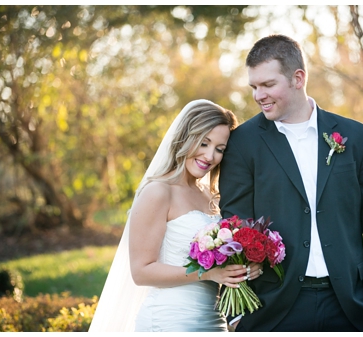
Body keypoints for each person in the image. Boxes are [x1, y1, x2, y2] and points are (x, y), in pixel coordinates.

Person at [219, 34, 363, 331]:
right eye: (253, 86)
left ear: (298, 78)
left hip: (350, 306)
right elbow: (235, 225)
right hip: (274, 309)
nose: (258, 95)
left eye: (268, 85)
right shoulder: (242, 143)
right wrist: (241, 312)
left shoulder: (356, 138)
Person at [90, 99, 263, 332]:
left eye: (219, 149)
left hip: (213, 321)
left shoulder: (212, 197)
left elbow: (219, 267)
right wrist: (210, 273)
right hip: (169, 320)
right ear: (185, 138)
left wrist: (241, 270)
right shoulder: (158, 192)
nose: (210, 156)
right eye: (204, 143)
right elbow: (142, 271)